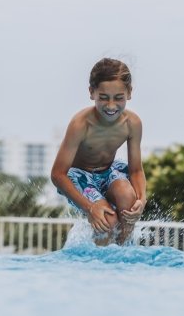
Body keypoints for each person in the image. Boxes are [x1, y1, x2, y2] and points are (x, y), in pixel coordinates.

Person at [51, 58, 146, 245]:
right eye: (103, 97)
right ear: (91, 92)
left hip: (109, 170)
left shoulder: (132, 124)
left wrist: (141, 200)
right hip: (79, 175)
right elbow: (57, 174)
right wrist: (89, 208)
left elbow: (136, 170)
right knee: (108, 221)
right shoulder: (81, 124)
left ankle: (122, 254)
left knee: (128, 197)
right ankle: (98, 264)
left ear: (129, 93)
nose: (111, 106)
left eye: (118, 98)